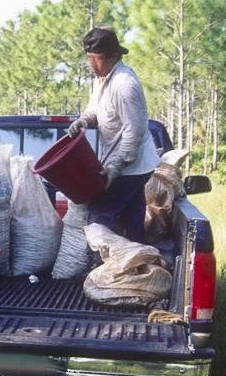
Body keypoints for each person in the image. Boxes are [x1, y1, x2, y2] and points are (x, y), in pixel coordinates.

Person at [67, 27, 160, 243]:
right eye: (89, 58)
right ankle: (135, 267)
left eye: (97, 59)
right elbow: (94, 110)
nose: (92, 65)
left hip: (132, 165)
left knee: (100, 217)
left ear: (113, 56)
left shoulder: (124, 85)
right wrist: (83, 121)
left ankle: (98, 270)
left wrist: (114, 167)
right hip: (127, 164)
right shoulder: (102, 79)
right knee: (132, 217)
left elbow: (133, 133)